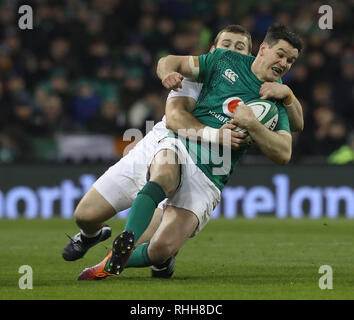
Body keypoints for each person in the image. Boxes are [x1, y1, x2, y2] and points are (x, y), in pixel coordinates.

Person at [75, 23, 303, 280]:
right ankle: (125, 238)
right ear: (262, 50)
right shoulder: (220, 62)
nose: (284, 63)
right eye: (280, 54)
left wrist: (256, 120)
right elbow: (170, 68)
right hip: (179, 145)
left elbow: (284, 152)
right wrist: (166, 74)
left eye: (290, 61)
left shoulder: (275, 100)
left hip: (211, 173)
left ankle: (115, 261)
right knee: (163, 173)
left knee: (161, 249)